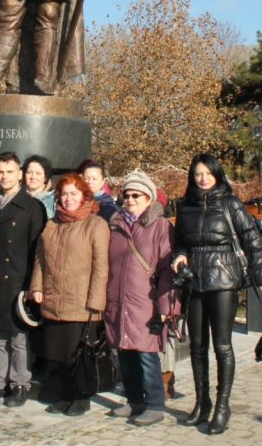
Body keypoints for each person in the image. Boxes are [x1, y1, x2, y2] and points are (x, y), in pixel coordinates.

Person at [171, 153, 262, 435]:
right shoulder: (186, 206)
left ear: (217, 174)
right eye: (197, 174)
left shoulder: (230, 203)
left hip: (224, 280)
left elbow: (253, 241)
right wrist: (179, 256)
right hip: (195, 282)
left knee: (223, 346)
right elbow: (179, 242)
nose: (202, 178)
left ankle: (222, 406)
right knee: (196, 347)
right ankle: (202, 402)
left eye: (207, 173)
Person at [29, 172, 110, 416]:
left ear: (84, 195)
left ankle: (80, 398)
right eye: (63, 194)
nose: (67, 199)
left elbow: (101, 267)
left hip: (81, 302)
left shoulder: (96, 224)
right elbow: (40, 260)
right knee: (58, 354)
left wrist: (95, 302)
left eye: (73, 194)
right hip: (54, 298)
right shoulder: (52, 224)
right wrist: (36, 287)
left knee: (77, 355)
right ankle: (64, 396)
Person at [104, 171, 176, 426]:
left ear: (149, 198)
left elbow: (168, 269)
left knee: (146, 354)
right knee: (125, 353)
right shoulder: (116, 226)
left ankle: (155, 404)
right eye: (127, 195)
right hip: (118, 301)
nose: (131, 199)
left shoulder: (161, 227)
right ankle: (134, 400)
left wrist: (168, 306)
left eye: (137, 195)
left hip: (147, 302)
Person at [0, 152, 46, 408]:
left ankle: (20, 383)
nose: (4, 177)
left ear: (20, 173)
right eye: (0, 172)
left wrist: (32, 284)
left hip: (17, 279)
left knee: (18, 337)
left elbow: (36, 250)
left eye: (9, 172)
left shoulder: (32, 207)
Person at [24, 154, 56, 219]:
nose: (33, 177)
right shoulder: (16, 195)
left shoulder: (53, 199)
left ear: (45, 177)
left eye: (38, 173)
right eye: (29, 172)